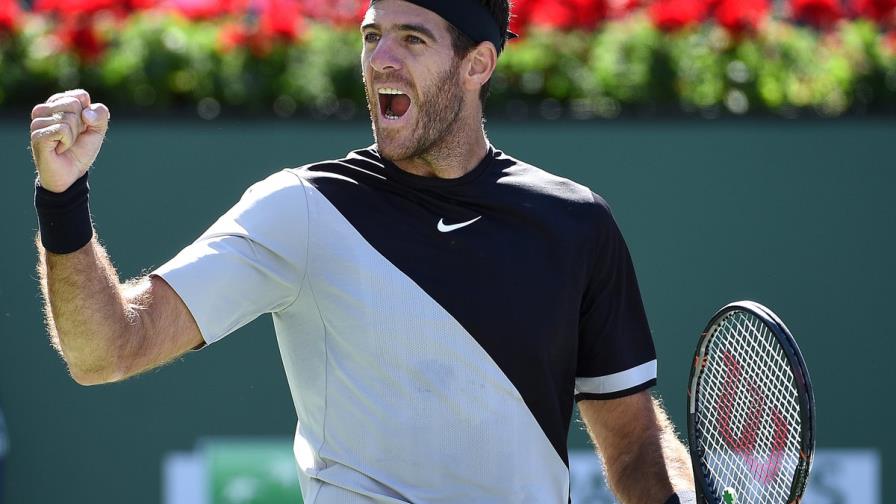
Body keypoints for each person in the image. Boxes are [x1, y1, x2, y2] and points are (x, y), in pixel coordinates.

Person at [29, 0, 696, 502]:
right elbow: (107, 349)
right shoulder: (301, 210)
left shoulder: (574, 224)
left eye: (412, 38)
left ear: (477, 65)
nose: (381, 60)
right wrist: (62, 199)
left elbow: (635, 445)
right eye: (373, 36)